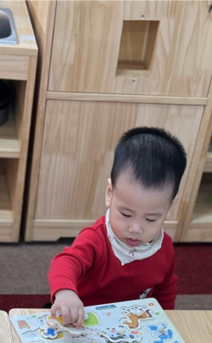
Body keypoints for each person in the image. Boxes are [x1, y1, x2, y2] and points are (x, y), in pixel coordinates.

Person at [47, 127, 187, 327]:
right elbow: (65, 262)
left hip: (131, 325)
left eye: (151, 219)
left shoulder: (163, 248)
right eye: (126, 214)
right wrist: (65, 293)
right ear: (110, 193)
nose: (135, 228)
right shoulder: (96, 238)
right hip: (84, 319)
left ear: (168, 209)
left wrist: (165, 321)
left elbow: (166, 290)